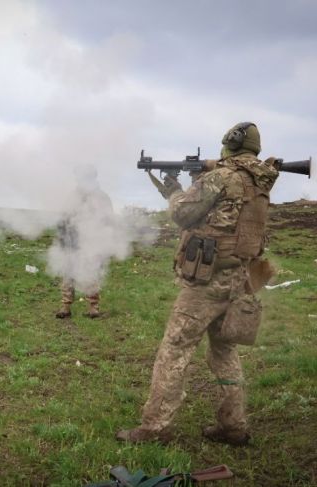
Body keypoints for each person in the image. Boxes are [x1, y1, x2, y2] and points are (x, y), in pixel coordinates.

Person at [116, 122, 279, 445]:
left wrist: (173, 190)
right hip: (239, 277)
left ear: (230, 145)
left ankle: (155, 428)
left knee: (175, 348)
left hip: (208, 279)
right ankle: (233, 425)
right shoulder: (259, 182)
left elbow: (183, 214)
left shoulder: (221, 177)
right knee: (224, 351)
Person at [54, 165, 114, 319]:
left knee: (91, 273)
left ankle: (93, 307)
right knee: (68, 274)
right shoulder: (73, 196)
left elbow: (108, 221)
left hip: (92, 241)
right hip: (72, 241)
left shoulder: (101, 197)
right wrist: (62, 235)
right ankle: (65, 306)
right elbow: (64, 217)